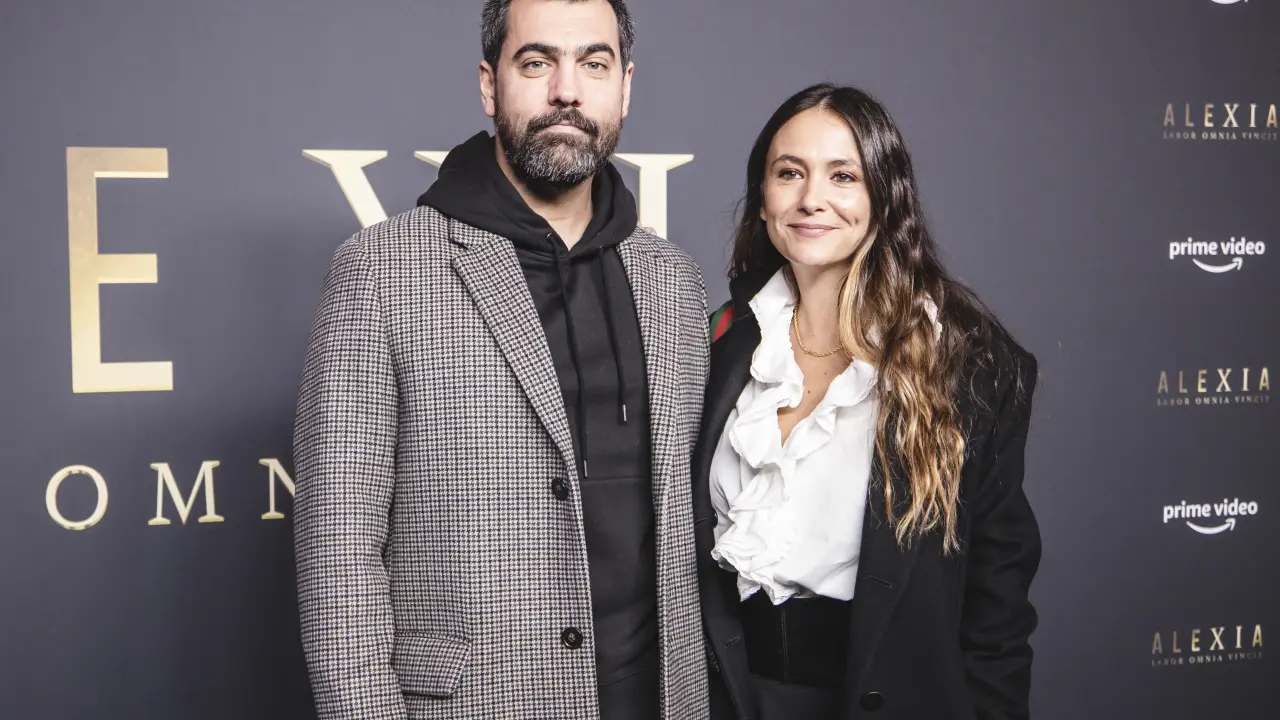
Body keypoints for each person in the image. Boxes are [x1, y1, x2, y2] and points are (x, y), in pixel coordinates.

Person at [291, 1, 710, 718]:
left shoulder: (673, 280)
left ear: (625, 87)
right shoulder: (382, 270)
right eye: (537, 62)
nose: (567, 91)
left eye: (594, 64)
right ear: (490, 85)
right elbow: (338, 554)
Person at [694, 84, 1041, 719]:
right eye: (789, 173)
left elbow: (998, 602)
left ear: (884, 195)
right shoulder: (718, 342)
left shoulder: (966, 363)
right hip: (734, 701)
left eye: (843, 176)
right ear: (762, 199)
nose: (811, 198)